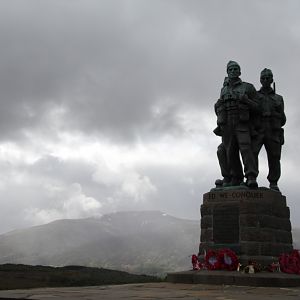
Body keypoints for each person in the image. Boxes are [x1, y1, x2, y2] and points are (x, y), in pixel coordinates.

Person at [215, 61, 259, 188]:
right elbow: (220, 107)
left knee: (246, 148)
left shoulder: (248, 87)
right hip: (227, 123)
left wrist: (246, 100)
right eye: (231, 69)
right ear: (227, 72)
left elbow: (258, 108)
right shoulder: (224, 89)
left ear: (240, 72)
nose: (233, 71)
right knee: (230, 151)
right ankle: (236, 177)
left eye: (235, 69)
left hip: (242, 122)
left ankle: (251, 177)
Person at [252, 68, 286, 191]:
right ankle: (252, 179)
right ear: (260, 80)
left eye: (268, 78)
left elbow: (283, 120)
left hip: (273, 130)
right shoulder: (254, 95)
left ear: (272, 79)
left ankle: (273, 182)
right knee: (252, 154)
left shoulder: (279, 98)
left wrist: (278, 111)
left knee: (274, 157)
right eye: (263, 78)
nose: (266, 80)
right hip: (258, 129)